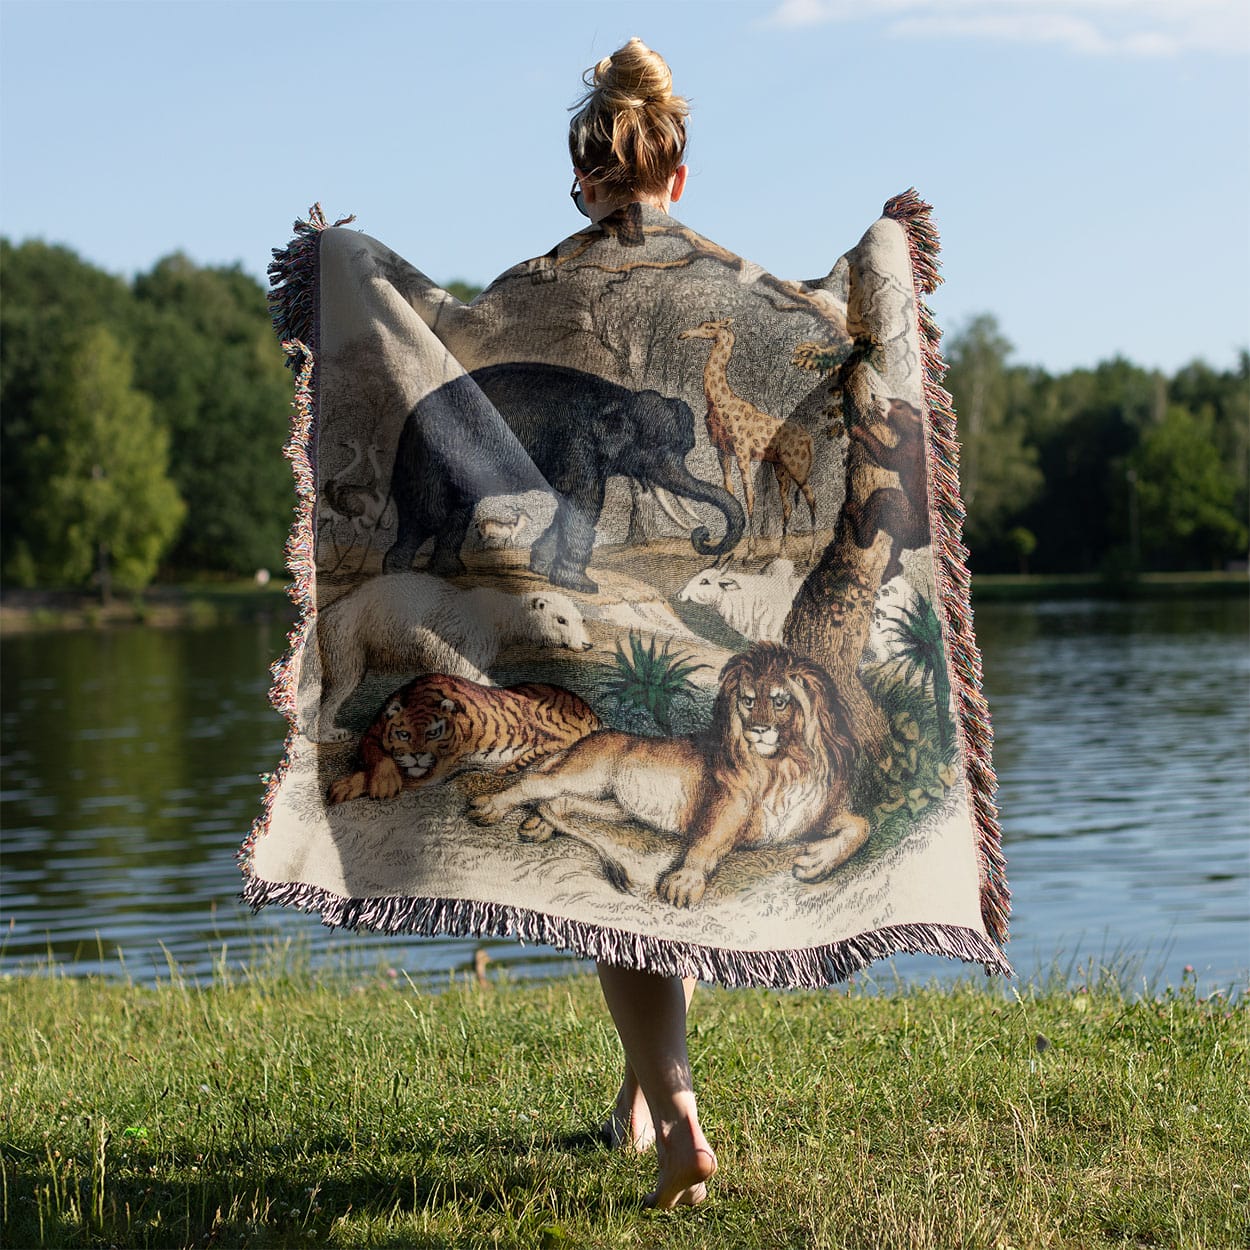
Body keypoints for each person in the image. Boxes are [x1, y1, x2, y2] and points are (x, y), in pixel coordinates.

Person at [565, 37, 717, 1212]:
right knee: (664, 863)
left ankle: (677, 1118)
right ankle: (633, 1098)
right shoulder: (728, 287)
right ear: (677, 171)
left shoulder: (550, 284)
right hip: (708, 623)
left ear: (584, 181)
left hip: (591, 621)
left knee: (615, 872)